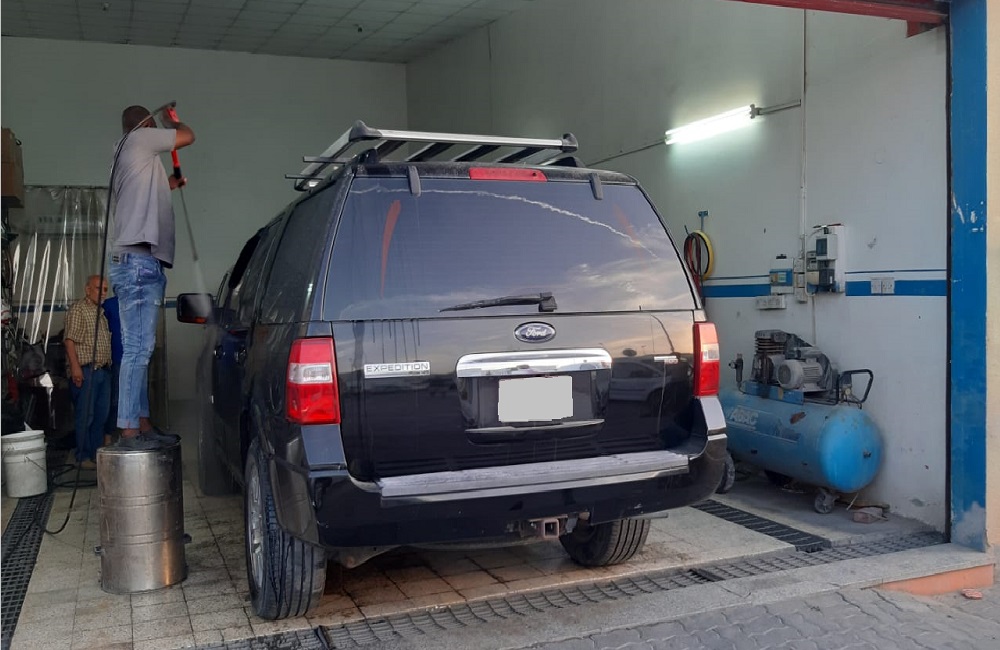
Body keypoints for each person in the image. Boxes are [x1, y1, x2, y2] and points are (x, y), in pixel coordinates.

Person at [108, 104, 195, 449]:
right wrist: (172, 121)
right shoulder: (141, 138)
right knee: (137, 350)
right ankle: (130, 431)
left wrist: (169, 185)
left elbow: (139, 197)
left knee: (139, 350)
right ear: (145, 125)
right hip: (138, 262)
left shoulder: (122, 151)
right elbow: (187, 136)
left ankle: (141, 423)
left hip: (133, 261)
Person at [63, 275, 112, 468]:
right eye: (99, 288)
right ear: (87, 289)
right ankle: (82, 456)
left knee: (101, 416)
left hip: (103, 370)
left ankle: (95, 455)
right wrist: (75, 368)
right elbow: (69, 341)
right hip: (87, 370)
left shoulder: (100, 312)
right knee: (86, 416)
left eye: (106, 289)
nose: (103, 293)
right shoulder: (79, 309)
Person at [102, 292, 122, 446]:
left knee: (134, 399)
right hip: (116, 359)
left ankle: (128, 433)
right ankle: (108, 435)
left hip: (135, 359)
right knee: (115, 400)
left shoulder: (137, 303)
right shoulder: (109, 305)